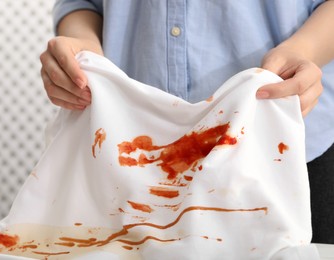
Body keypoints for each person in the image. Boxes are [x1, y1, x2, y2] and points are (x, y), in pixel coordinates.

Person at [40, 0, 334, 244]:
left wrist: (304, 50)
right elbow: (82, 3)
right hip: (127, 163)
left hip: (286, 153)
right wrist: (84, 47)